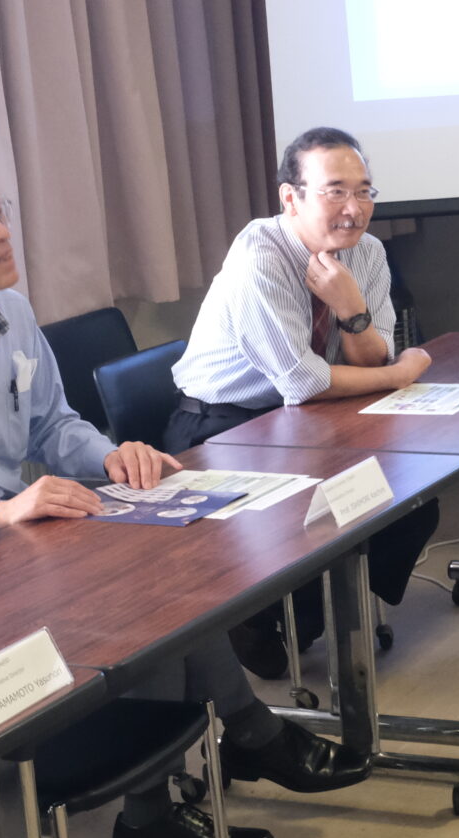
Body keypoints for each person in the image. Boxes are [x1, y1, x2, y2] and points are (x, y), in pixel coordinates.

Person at [0, 160, 368, 838]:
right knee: (133, 598)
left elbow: (53, 424)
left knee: (169, 564)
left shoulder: (11, 315)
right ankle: (234, 746)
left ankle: (167, 800)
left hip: (19, 548)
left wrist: (111, 456)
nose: (1, 232)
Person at [165, 128, 438, 671]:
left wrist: (351, 310)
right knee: (317, 509)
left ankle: (311, 612)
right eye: (335, 192)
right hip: (220, 428)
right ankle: (258, 615)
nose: (354, 209)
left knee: (414, 500)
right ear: (291, 198)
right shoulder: (260, 256)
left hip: (304, 418)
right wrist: (400, 375)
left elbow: (368, 362)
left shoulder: (368, 253)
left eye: (364, 192)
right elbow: (304, 381)